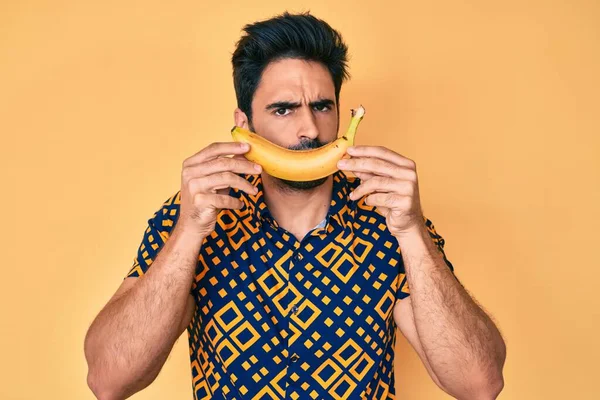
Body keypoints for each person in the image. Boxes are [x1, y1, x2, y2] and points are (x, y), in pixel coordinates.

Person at [84, 12, 506, 400]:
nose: (310, 129)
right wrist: (188, 233)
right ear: (245, 124)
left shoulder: (388, 217)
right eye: (283, 109)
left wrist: (412, 234)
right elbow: (109, 379)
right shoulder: (197, 214)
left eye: (322, 106)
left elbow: (479, 383)